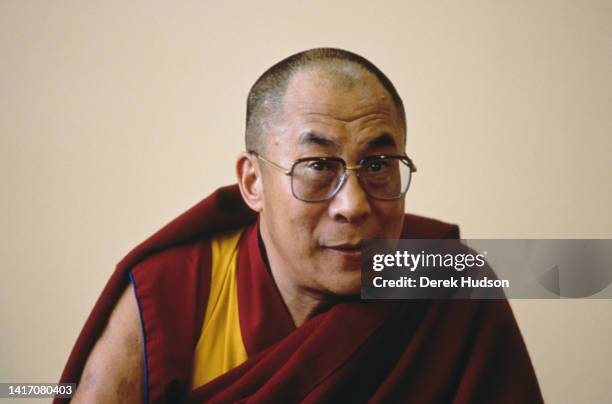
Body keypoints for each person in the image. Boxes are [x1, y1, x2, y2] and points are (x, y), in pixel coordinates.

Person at [58, 48, 543, 403]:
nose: (352, 206)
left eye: (378, 165)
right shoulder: (174, 291)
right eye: (317, 166)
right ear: (252, 182)